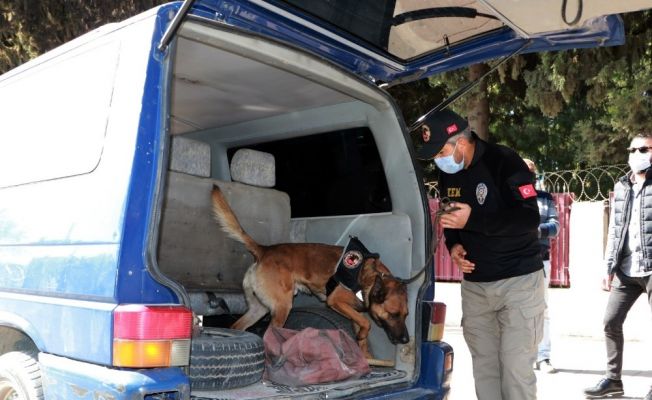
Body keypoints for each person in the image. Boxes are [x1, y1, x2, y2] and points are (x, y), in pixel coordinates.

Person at [417, 109, 545, 400]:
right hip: (476, 287)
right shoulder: (446, 171)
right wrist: (454, 245)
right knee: (485, 372)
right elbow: (452, 220)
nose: (438, 160)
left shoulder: (504, 161)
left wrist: (472, 221)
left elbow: (528, 219)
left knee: (515, 371)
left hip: (519, 283)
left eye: (440, 152)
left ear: (460, 143)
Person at [583, 133, 652, 400]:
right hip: (626, 268)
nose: (636, 154)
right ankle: (613, 380)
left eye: (643, 149)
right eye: (632, 149)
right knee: (611, 321)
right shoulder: (623, 185)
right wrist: (608, 265)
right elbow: (615, 229)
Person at [523, 158, 560, 374]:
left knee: (542, 309)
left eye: (531, 171)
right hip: (514, 261)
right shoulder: (508, 197)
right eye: (523, 170)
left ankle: (543, 357)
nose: (528, 174)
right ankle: (521, 356)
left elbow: (555, 227)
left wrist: (536, 231)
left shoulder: (545, 199)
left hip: (539, 259)